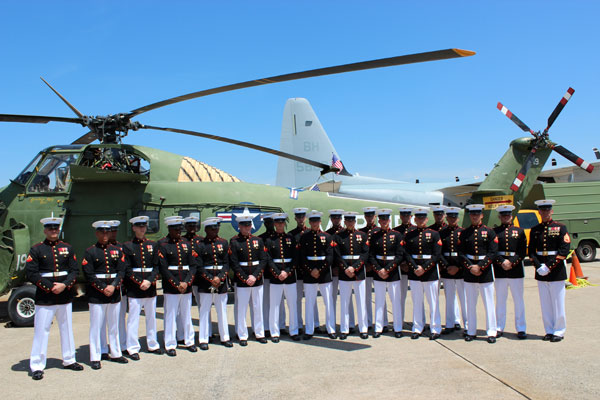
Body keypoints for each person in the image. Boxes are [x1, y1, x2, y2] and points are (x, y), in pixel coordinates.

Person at [26, 217, 83, 380]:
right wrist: (50, 287)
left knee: (67, 328)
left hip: (64, 295)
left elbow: (74, 271)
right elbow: (32, 273)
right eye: (50, 228)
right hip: (45, 297)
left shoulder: (67, 248)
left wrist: (64, 285)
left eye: (56, 228)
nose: (53, 231)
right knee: (41, 331)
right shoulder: (37, 249)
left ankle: (69, 359)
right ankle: (37, 365)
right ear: (45, 230)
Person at [82, 220, 128, 369]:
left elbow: (122, 270)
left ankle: (115, 352)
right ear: (97, 233)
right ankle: (96, 355)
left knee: (114, 325)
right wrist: (103, 288)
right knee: (96, 326)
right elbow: (89, 274)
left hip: (113, 292)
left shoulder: (117, 250)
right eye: (102, 232)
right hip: (97, 294)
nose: (105, 235)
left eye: (107, 232)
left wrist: (114, 286)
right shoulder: (90, 251)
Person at [529, 199, 570, 342]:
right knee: (545, 304)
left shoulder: (560, 228)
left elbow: (564, 250)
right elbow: (531, 251)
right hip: (541, 270)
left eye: (547, 210)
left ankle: (559, 331)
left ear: (551, 211)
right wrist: (539, 266)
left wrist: (549, 266)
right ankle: (549, 330)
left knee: (558, 303)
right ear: (539, 211)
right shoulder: (535, 230)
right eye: (542, 210)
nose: (545, 212)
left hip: (556, 271)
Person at [123, 216, 163, 360]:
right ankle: (133, 348)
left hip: (150, 287)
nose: (142, 229)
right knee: (133, 318)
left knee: (151, 317)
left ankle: (153, 344)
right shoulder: (127, 246)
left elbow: (157, 266)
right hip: (135, 288)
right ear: (133, 228)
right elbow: (127, 268)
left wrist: (150, 280)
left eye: (144, 226)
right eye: (139, 226)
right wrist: (140, 282)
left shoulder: (153, 245)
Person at [157, 216, 198, 356]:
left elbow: (193, 265)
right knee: (170, 315)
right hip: (171, 286)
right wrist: (176, 284)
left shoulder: (186, 243)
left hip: (185, 284)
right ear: (169, 229)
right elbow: (163, 268)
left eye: (180, 229)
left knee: (186, 314)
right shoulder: (162, 244)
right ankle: (170, 344)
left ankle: (189, 340)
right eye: (176, 229)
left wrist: (186, 282)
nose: (179, 232)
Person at [459, 204, 498, 343]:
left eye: (477, 214)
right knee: (470, 303)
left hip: (485, 271)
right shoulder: (464, 233)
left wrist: (480, 266)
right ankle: (471, 331)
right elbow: (461, 253)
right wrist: (470, 267)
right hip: (470, 272)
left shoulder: (489, 232)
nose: (474, 216)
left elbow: (493, 252)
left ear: (482, 215)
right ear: (470, 215)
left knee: (489, 303)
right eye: (472, 214)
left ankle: (491, 332)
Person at [403, 208, 442, 340]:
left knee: (433, 302)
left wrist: (424, 268)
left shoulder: (434, 234)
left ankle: (435, 328)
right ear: (415, 219)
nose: (420, 220)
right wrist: (415, 267)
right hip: (415, 272)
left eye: (423, 218)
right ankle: (417, 327)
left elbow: (437, 254)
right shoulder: (409, 235)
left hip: (430, 272)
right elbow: (407, 253)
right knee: (417, 301)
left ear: (426, 219)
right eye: (418, 218)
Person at [230, 215, 268, 346]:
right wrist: (245, 278)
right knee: (241, 308)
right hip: (242, 280)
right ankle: (242, 335)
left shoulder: (258, 240)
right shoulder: (234, 241)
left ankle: (259, 333)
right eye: (244, 225)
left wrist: (255, 276)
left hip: (256, 279)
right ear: (239, 226)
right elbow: (234, 263)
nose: (247, 228)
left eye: (249, 225)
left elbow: (263, 260)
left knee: (258, 307)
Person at [298, 210, 336, 340]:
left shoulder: (327, 237)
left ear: (320, 222)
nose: (315, 223)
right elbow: (302, 257)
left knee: (328, 302)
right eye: (312, 221)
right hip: (309, 274)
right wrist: (310, 270)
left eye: (317, 221)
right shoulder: (304, 237)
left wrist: (319, 270)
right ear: (309, 222)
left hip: (324, 273)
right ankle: (309, 330)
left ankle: (331, 329)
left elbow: (330, 256)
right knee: (309, 302)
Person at [196, 217, 232, 349]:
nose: (215, 230)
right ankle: (204, 339)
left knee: (222, 311)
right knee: (204, 311)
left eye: (217, 227)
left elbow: (226, 263)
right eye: (212, 228)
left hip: (221, 282)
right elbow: (199, 266)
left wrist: (220, 278)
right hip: (206, 282)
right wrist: (211, 278)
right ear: (206, 229)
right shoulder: (200, 245)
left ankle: (225, 337)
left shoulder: (223, 243)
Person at [333, 211, 369, 339]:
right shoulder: (338, 236)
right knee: (345, 302)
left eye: (352, 221)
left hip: (358, 272)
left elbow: (365, 254)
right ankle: (344, 329)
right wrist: (346, 268)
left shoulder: (362, 235)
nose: (349, 223)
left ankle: (363, 328)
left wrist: (354, 267)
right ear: (345, 222)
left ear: (355, 222)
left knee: (361, 301)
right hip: (344, 273)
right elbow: (337, 255)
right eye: (347, 221)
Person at [264, 213, 300, 342]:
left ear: (284, 223)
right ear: (274, 224)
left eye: (282, 222)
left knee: (292, 304)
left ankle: (294, 330)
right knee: (274, 305)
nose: (280, 225)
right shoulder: (269, 240)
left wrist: (288, 271)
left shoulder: (291, 238)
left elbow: (295, 258)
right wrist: (277, 272)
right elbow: (268, 259)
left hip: (289, 277)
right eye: (277, 223)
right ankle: (275, 332)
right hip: (276, 277)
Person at [493, 205, 527, 339]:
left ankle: (521, 328)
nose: (506, 217)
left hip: (515, 270)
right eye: (503, 215)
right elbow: (493, 251)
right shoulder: (495, 232)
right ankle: (499, 327)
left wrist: (511, 262)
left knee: (518, 300)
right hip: (500, 270)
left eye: (508, 215)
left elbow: (522, 252)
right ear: (499, 217)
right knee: (500, 300)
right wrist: (502, 262)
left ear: (511, 216)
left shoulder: (519, 231)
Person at [369, 209, 404, 338]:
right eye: (381, 220)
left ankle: (397, 328)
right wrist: (379, 269)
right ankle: (378, 327)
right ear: (379, 221)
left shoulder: (397, 235)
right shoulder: (374, 235)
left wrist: (388, 269)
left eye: (386, 220)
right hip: (379, 271)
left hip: (393, 272)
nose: (384, 222)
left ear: (389, 220)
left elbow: (400, 255)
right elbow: (371, 255)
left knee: (395, 301)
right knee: (379, 301)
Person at [288, 207, 319, 332]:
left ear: (305, 218)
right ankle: (299, 324)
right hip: (298, 272)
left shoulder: (311, 233)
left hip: (310, 271)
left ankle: (315, 324)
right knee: (298, 299)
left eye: (302, 217)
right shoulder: (291, 234)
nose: (301, 219)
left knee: (313, 299)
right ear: (295, 218)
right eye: (298, 217)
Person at [438, 207, 467, 334]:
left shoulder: (464, 232)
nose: (452, 219)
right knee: (449, 298)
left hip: (460, 270)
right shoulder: (442, 232)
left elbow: (466, 252)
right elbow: (439, 252)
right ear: (447, 218)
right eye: (450, 217)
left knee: (464, 299)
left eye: (454, 217)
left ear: (458, 218)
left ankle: (467, 325)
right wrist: (447, 266)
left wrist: (459, 267)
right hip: (447, 269)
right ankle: (450, 324)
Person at [360, 206, 387, 330]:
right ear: (365, 217)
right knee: (366, 297)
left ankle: (384, 322)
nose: (370, 218)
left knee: (381, 297)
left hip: (377, 268)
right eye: (368, 216)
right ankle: (368, 321)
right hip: (365, 268)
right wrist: (365, 264)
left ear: (375, 217)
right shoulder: (361, 232)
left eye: (372, 216)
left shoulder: (379, 231)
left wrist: (375, 266)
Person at [259, 213, 285, 337]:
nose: (269, 225)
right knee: (266, 302)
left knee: (279, 302)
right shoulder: (261, 238)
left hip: (278, 274)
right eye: (267, 223)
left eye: (271, 223)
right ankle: (267, 326)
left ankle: (281, 325)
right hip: (268, 274)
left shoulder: (280, 237)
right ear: (264, 224)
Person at [393, 207, 415, 330]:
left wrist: (410, 264)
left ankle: (419, 322)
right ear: (401, 217)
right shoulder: (396, 231)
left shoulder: (415, 230)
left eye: (408, 215)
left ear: (411, 217)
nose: (406, 217)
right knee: (400, 297)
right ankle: (399, 322)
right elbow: (397, 250)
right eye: (403, 215)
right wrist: (401, 263)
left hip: (414, 268)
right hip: (400, 267)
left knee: (417, 298)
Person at [108, 220, 128, 354]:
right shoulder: (97, 249)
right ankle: (103, 348)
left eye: (115, 231)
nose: (113, 233)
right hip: (104, 288)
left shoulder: (122, 247)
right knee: (104, 321)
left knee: (120, 318)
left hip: (120, 288)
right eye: (110, 231)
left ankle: (122, 345)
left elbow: (125, 267)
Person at [183, 215, 203, 345]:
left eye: (194, 226)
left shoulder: (201, 240)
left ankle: (206, 333)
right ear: (185, 227)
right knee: (184, 309)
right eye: (189, 226)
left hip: (199, 278)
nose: (192, 228)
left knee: (203, 306)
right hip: (186, 278)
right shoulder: (182, 240)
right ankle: (183, 334)